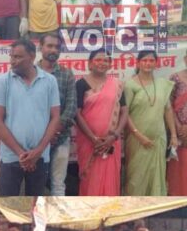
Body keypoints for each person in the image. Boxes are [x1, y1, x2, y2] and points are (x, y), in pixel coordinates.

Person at [0, 39, 61, 196]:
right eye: (11, 57)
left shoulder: (49, 81)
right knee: (8, 204)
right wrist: (21, 154)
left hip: (40, 157)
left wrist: (38, 151)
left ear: (31, 56)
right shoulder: (3, 82)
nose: (12, 61)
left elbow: (55, 118)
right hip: (10, 157)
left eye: (17, 57)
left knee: (35, 205)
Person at [124, 49, 179, 195]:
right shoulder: (130, 85)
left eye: (151, 61)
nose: (148, 64)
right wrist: (139, 136)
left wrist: (173, 135)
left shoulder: (162, 84)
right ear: (138, 63)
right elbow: (125, 115)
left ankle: (153, 209)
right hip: (137, 140)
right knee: (136, 177)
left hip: (158, 139)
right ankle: (136, 212)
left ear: (156, 63)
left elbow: (167, 110)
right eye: (144, 60)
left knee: (157, 174)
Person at [75, 49, 128, 195]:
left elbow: (124, 112)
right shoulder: (81, 84)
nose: (102, 63)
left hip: (112, 142)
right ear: (90, 64)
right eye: (98, 60)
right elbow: (76, 114)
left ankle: (109, 215)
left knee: (110, 180)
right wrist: (94, 139)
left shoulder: (117, 85)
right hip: (89, 143)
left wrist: (114, 136)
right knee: (89, 181)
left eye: (106, 60)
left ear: (110, 64)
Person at [37, 34, 76, 195]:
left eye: (57, 47)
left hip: (61, 138)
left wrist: (54, 131)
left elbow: (71, 106)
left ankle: (57, 219)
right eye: (49, 46)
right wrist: (45, 135)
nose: (53, 50)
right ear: (41, 48)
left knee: (58, 184)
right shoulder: (31, 73)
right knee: (36, 183)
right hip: (35, 140)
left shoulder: (66, 74)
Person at [168, 52, 187, 195]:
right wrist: (179, 127)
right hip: (178, 131)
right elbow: (168, 105)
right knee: (178, 167)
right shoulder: (175, 78)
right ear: (185, 59)